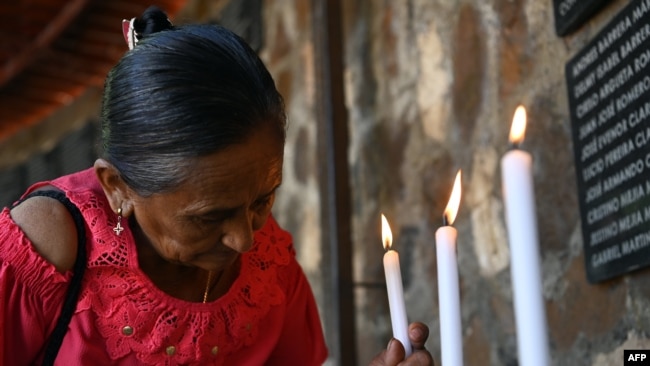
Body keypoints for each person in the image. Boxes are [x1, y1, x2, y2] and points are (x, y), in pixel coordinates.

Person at [0, 6, 434, 365]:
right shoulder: (45, 250)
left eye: (264, 199)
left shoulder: (267, 261)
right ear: (117, 188)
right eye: (210, 216)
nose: (245, 239)